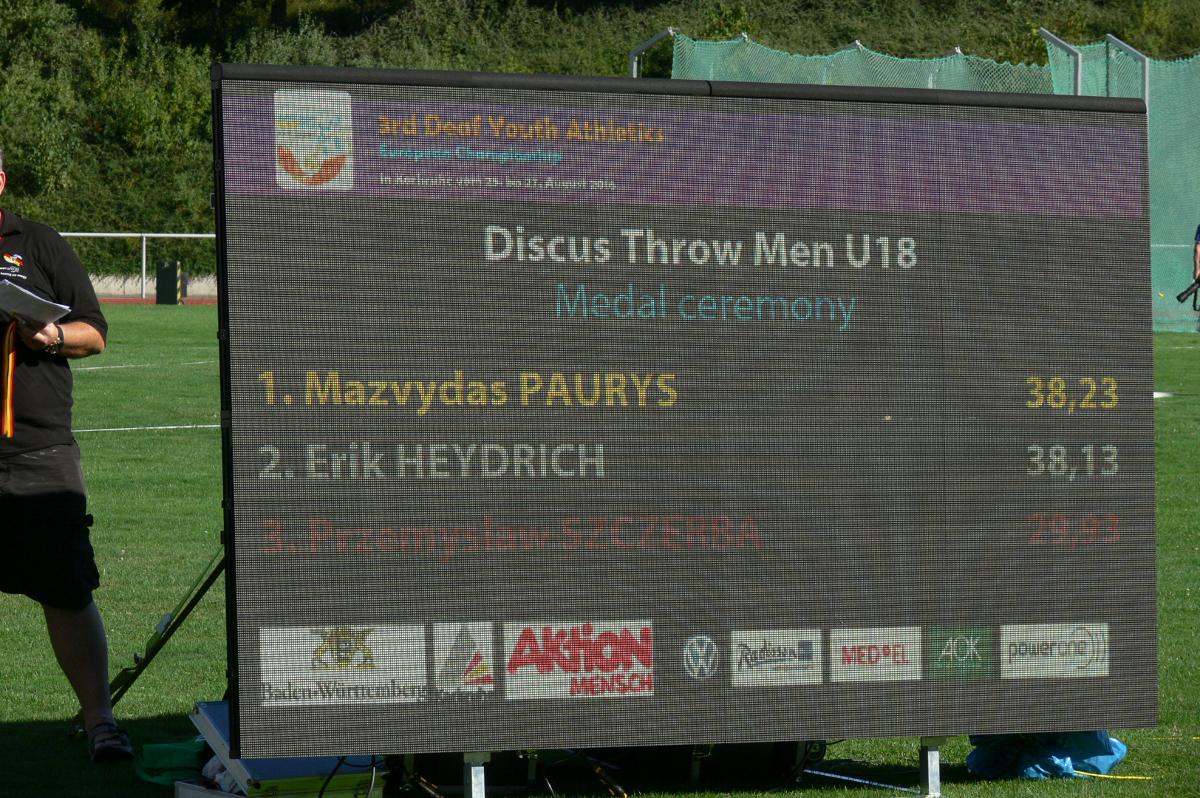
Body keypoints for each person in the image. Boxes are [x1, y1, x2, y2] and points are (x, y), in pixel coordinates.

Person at [0, 151, 130, 762]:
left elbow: (94, 332)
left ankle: (101, 720)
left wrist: (51, 336)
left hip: (38, 452)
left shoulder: (39, 243)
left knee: (67, 590)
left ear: (1, 180)